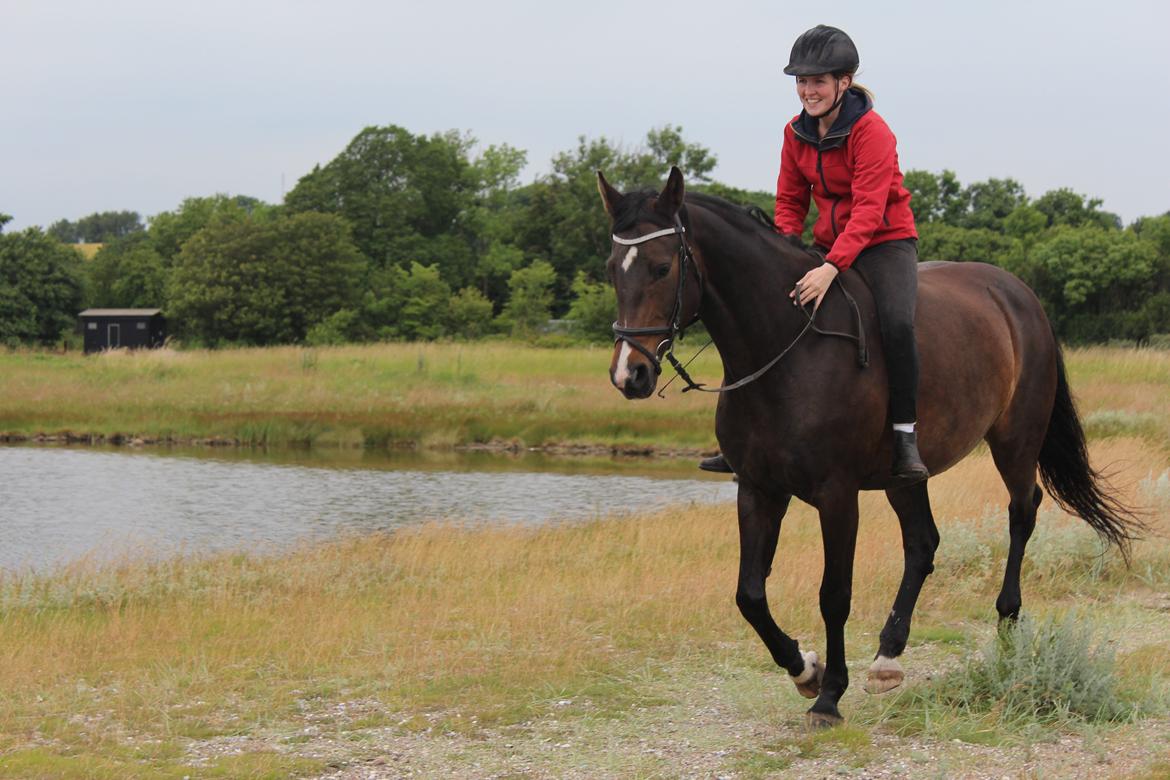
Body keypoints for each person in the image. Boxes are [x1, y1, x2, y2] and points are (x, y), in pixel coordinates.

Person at [700, 24, 928, 483]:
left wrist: (830, 267)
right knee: (763, 313)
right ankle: (744, 435)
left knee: (898, 323)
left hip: (885, 243)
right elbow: (789, 202)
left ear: (844, 82)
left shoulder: (872, 132)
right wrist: (782, 251)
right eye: (801, 82)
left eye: (818, 81)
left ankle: (905, 434)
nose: (808, 91)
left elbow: (868, 210)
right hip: (827, 246)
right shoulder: (794, 132)